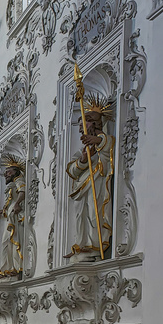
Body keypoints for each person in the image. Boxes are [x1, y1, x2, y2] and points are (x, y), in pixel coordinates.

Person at [65, 96, 115, 258]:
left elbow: (108, 147)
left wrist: (98, 141)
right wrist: (83, 159)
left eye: (83, 124)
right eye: (79, 125)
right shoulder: (83, 148)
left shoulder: (104, 140)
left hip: (98, 181)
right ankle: (82, 244)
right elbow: (72, 171)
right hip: (81, 187)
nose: (80, 129)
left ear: (94, 123)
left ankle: (95, 245)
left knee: (95, 212)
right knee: (81, 215)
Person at [0, 155, 26, 278]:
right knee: (5, 244)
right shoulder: (12, 184)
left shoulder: (18, 181)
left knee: (13, 242)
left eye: (8, 171)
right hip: (10, 217)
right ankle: (6, 269)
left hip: (15, 218)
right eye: (5, 172)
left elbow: (22, 191)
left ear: (16, 172)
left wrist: (17, 204)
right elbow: (9, 205)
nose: (6, 174)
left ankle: (16, 267)